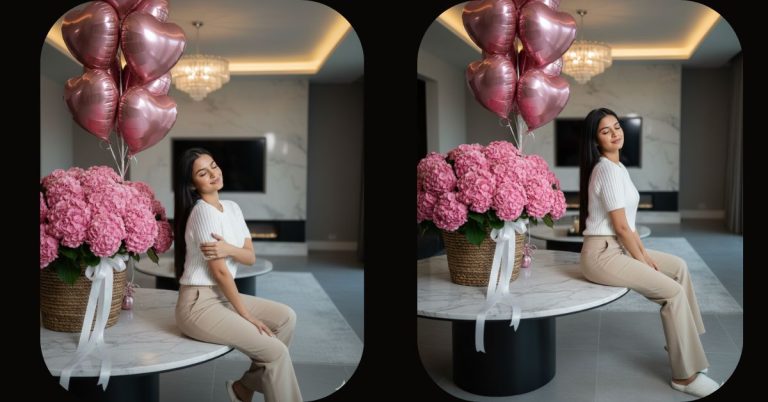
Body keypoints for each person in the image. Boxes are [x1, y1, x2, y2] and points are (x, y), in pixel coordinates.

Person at [577, 108, 719, 398]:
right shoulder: (605, 169)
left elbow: (630, 226)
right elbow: (620, 227)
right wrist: (642, 260)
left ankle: (684, 345)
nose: (616, 133)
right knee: (673, 292)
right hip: (601, 254)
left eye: (617, 127)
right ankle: (685, 376)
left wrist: (644, 255)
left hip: (616, 247)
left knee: (678, 266)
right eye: (606, 131)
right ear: (595, 141)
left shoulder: (618, 167)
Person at [173, 148, 302, 402]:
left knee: (287, 318)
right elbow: (220, 272)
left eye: (214, 166)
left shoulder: (231, 208)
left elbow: (250, 257)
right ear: (192, 183)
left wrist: (228, 248)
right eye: (202, 173)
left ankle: (243, 388)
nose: (213, 174)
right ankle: (246, 389)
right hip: (198, 305)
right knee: (276, 352)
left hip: (220, 297)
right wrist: (247, 315)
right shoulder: (202, 213)